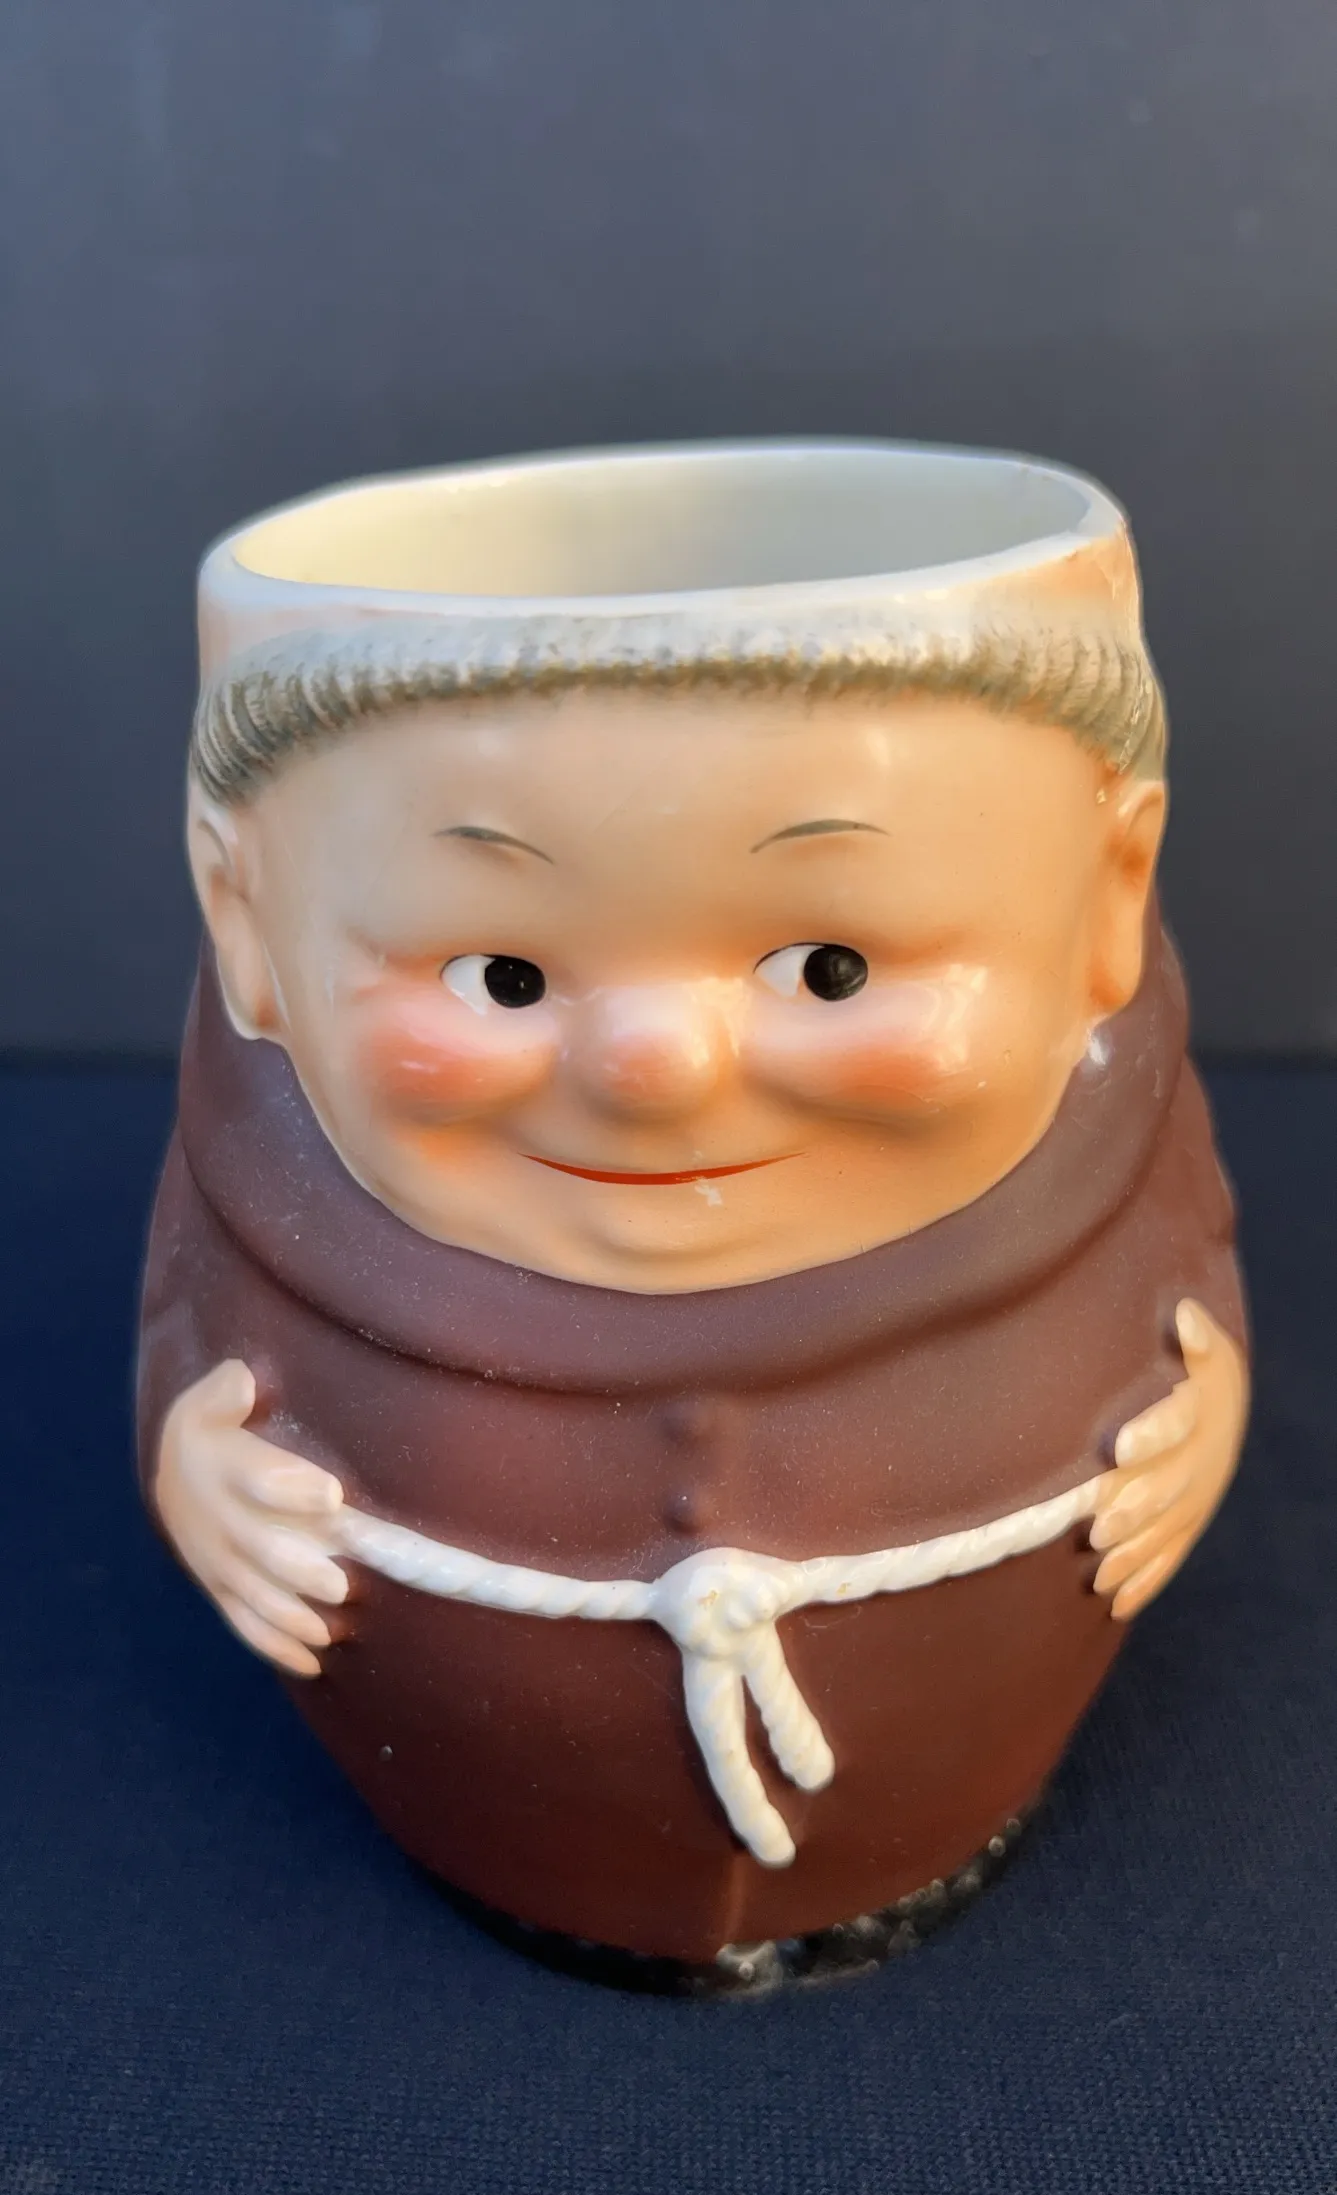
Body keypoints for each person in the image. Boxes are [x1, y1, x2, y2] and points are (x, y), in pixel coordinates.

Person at [139, 453, 1248, 1972]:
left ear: (1109, 894)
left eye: (830, 970)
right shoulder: (263, 1176)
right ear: (248, 921)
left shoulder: (1109, 1141)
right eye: (503, 978)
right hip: (463, 1795)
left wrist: (1201, 1411)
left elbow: (1188, 1265)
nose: (654, 1071)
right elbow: (190, 1328)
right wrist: (196, 1468)